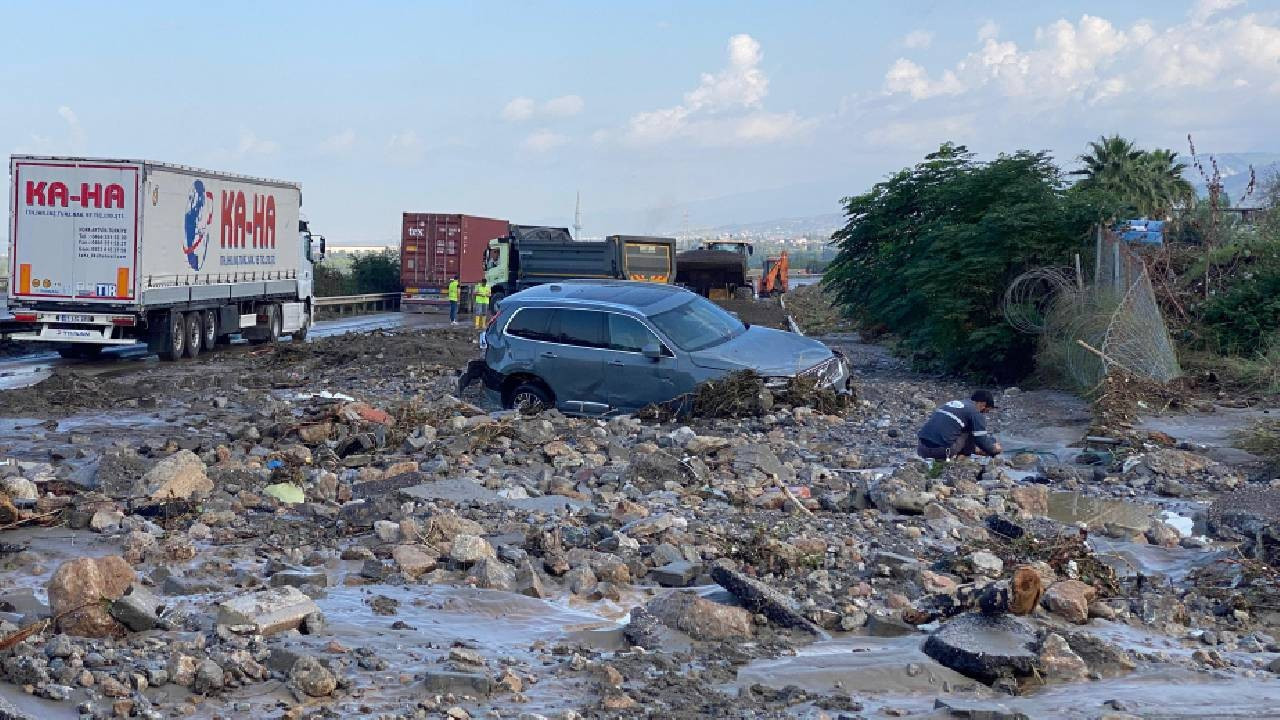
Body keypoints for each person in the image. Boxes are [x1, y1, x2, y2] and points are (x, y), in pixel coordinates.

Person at [917, 390, 1002, 460]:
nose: (984, 413)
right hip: (941, 451)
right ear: (983, 404)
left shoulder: (953, 404)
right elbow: (981, 440)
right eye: (986, 411)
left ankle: (967, 453)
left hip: (921, 448)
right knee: (970, 431)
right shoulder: (975, 412)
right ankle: (961, 461)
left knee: (961, 428)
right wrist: (994, 450)